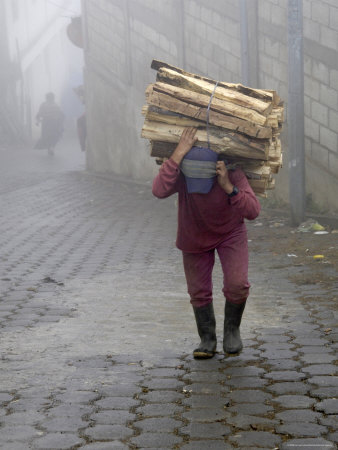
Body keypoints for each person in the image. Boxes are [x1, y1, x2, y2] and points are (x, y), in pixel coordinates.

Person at [152, 128, 261, 359]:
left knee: (237, 284)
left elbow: (253, 211)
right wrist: (178, 154)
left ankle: (232, 331)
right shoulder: (181, 173)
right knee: (199, 291)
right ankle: (207, 338)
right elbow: (159, 190)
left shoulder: (231, 172)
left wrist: (229, 188)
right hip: (193, 232)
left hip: (230, 231)